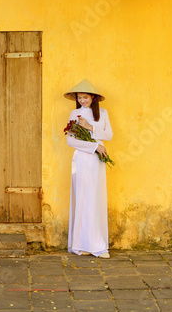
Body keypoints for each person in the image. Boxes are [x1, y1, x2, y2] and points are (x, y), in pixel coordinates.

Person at [64, 79, 113, 259]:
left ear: (93, 97)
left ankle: (99, 246)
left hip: (97, 162)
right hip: (82, 159)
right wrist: (95, 147)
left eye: (85, 97)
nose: (82, 100)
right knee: (83, 199)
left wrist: (90, 127)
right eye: (79, 97)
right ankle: (81, 244)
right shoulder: (74, 113)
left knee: (96, 199)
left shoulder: (103, 113)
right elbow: (71, 140)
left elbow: (108, 135)